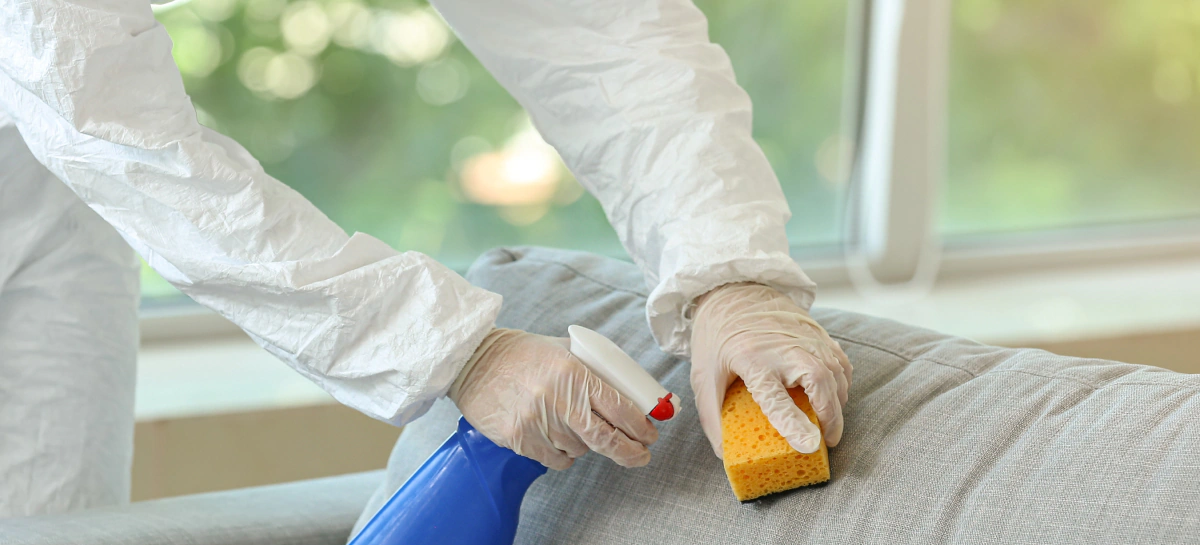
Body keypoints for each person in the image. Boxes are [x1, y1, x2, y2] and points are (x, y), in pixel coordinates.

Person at [0, 0, 851, 517]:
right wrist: (458, 351)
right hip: (73, 125)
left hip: (56, 184)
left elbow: (594, 28)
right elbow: (108, 122)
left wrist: (731, 277)